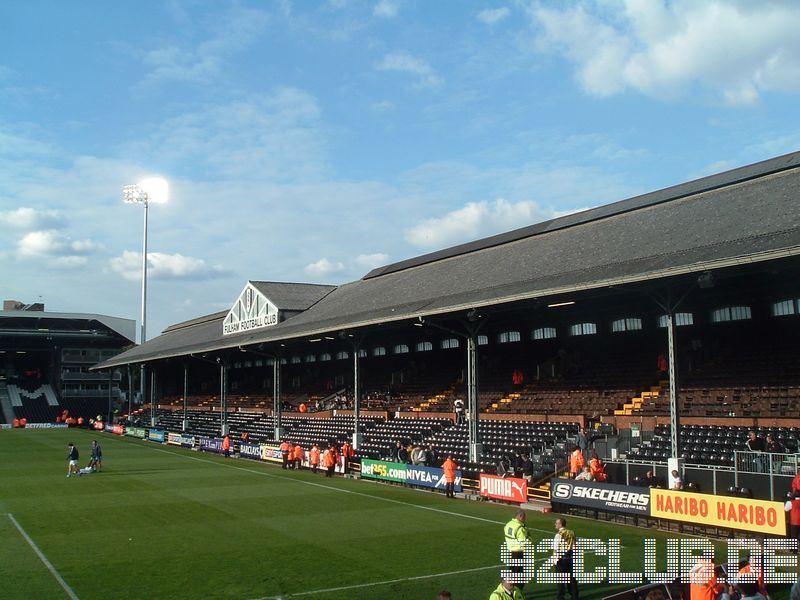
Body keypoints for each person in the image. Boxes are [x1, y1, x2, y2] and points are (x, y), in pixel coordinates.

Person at [504, 509, 534, 590]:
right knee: (520, 576)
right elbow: (524, 542)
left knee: (511, 573)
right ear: (520, 516)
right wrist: (529, 539)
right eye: (524, 517)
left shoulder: (508, 524)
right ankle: (517, 593)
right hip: (519, 553)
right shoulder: (520, 528)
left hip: (510, 552)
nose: (525, 519)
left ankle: (507, 590)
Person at [553, 517, 578, 600]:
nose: (555, 524)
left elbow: (556, 549)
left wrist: (555, 560)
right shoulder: (572, 532)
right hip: (570, 558)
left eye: (556, 523)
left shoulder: (558, 535)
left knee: (560, 580)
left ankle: (561, 597)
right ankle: (574, 596)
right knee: (571, 579)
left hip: (561, 560)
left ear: (560, 524)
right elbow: (575, 545)